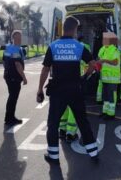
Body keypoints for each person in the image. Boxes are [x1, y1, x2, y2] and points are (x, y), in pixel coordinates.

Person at [37, 16, 98, 164]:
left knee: (53, 124)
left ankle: (53, 156)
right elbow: (93, 64)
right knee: (82, 122)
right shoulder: (79, 46)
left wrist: (39, 89)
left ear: (63, 28)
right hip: (75, 90)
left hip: (58, 91)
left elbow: (45, 69)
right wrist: (84, 77)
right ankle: (93, 153)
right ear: (74, 29)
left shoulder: (53, 46)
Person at [58, 36, 91, 143]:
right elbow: (90, 64)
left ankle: (62, 130)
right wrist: (85, 76)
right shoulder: (84, 47)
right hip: (77, 83)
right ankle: (70, 133)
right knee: (74, 108)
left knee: (64, 107)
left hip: (62, 82)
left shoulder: (61, 46)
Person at [3, 30, 28, 126]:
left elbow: (4, 62)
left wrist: (6, 71)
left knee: (11, 96)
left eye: (20, 37)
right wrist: (24, 78)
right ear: (14, 38)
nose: (19, 39)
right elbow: (18, 65)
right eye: (18, 38)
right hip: (14, 77)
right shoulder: (17, 49)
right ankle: (9, 118)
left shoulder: (8, 47)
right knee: (13, 97)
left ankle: (9, 117)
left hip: (8, 76)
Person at [98, 32, 121, 120]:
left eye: (105, 39)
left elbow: (115, 62)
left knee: (111, 96)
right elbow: (99, 56)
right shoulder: (104, 49)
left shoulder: (114, 50)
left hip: (112, 78)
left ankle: (111, 114)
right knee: (106, 96)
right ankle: (105, 112)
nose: (103, 40)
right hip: (105, 77)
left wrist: (104, 60)